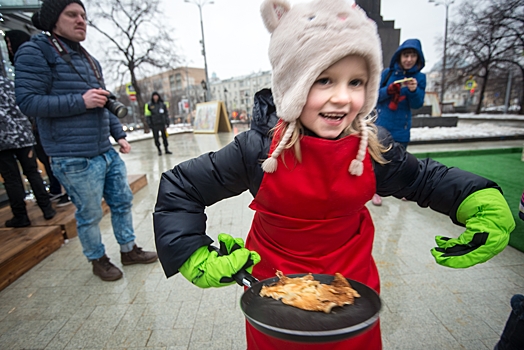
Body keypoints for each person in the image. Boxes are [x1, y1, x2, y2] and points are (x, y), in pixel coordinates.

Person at [153, 0, 514, 348]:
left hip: (352, 290)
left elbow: (424, 180)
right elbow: (182, 187)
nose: (343, 97)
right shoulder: (258, 150)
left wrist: (475, 198)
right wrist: (190, 251)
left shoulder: (372, 147)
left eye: (356, 82)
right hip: (274, 291)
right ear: (293, 83)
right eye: (324, 80)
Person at [14, 0, 157, 281]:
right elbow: (28, 102)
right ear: (54, 19)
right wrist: (80, 101)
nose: (81, 20)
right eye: (72, 14)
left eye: (83, 15)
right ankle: (98, 259)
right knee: (90, 214)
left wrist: (119, 134)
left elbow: (102, 101)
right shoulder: (35, 51)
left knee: (122, 202)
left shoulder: (90, 59)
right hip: (72, 156)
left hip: (105, 150)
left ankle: (129, 250)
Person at [4, 30, 72, 208]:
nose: (9, 48)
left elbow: (27, 103)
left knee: (21, 174)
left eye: (10, 44)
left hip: (24, 134)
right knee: (33, 170)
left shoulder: (28, 64)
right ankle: (49, 201)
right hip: (26, 134)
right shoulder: (13, 80)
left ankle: (35, 207)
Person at [0, 61, 56, 227]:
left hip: (2, 140)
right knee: (32, 172)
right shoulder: (12, 84)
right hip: (24, 136)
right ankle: (47, 209)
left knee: (12, 179)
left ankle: (21, 216)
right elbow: (27, 106)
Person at [372, 38, 426, 206]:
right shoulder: (387, 74)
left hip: (402, 126)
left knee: (401, 160)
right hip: (383, 123)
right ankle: (374, 189)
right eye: (406, 55)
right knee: (378, 158)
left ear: (418, 58)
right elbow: (374, 97)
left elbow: (417, 104)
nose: (409, 60)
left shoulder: (420, 78)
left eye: (412, 56)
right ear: (399, 56)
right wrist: (389, 90)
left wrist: (413, 90)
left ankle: (402, 188)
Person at [145, 92, 172, 156]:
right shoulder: (149, 105)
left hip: (162, 124)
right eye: (154, 96)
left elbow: (166, 114)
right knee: (156, 138)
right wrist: (149, 124)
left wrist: (167, 122)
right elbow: (147, 116)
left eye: (156, 96)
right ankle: (159, 150)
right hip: (154, 124)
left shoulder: (162, 104)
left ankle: (166, 149)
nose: (155, 97)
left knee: (164, 137)